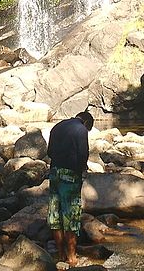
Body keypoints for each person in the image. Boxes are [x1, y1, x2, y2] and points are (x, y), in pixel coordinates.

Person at [47, 110, 94, 266]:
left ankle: (60, 255)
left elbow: (49, 152)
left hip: (54, 173)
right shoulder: (80, 129)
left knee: (55, 214)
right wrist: (81, 169)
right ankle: (72, 257)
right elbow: (83, 154)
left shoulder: (57, 126)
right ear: (87, 123)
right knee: (71, 215)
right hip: (70, 176)